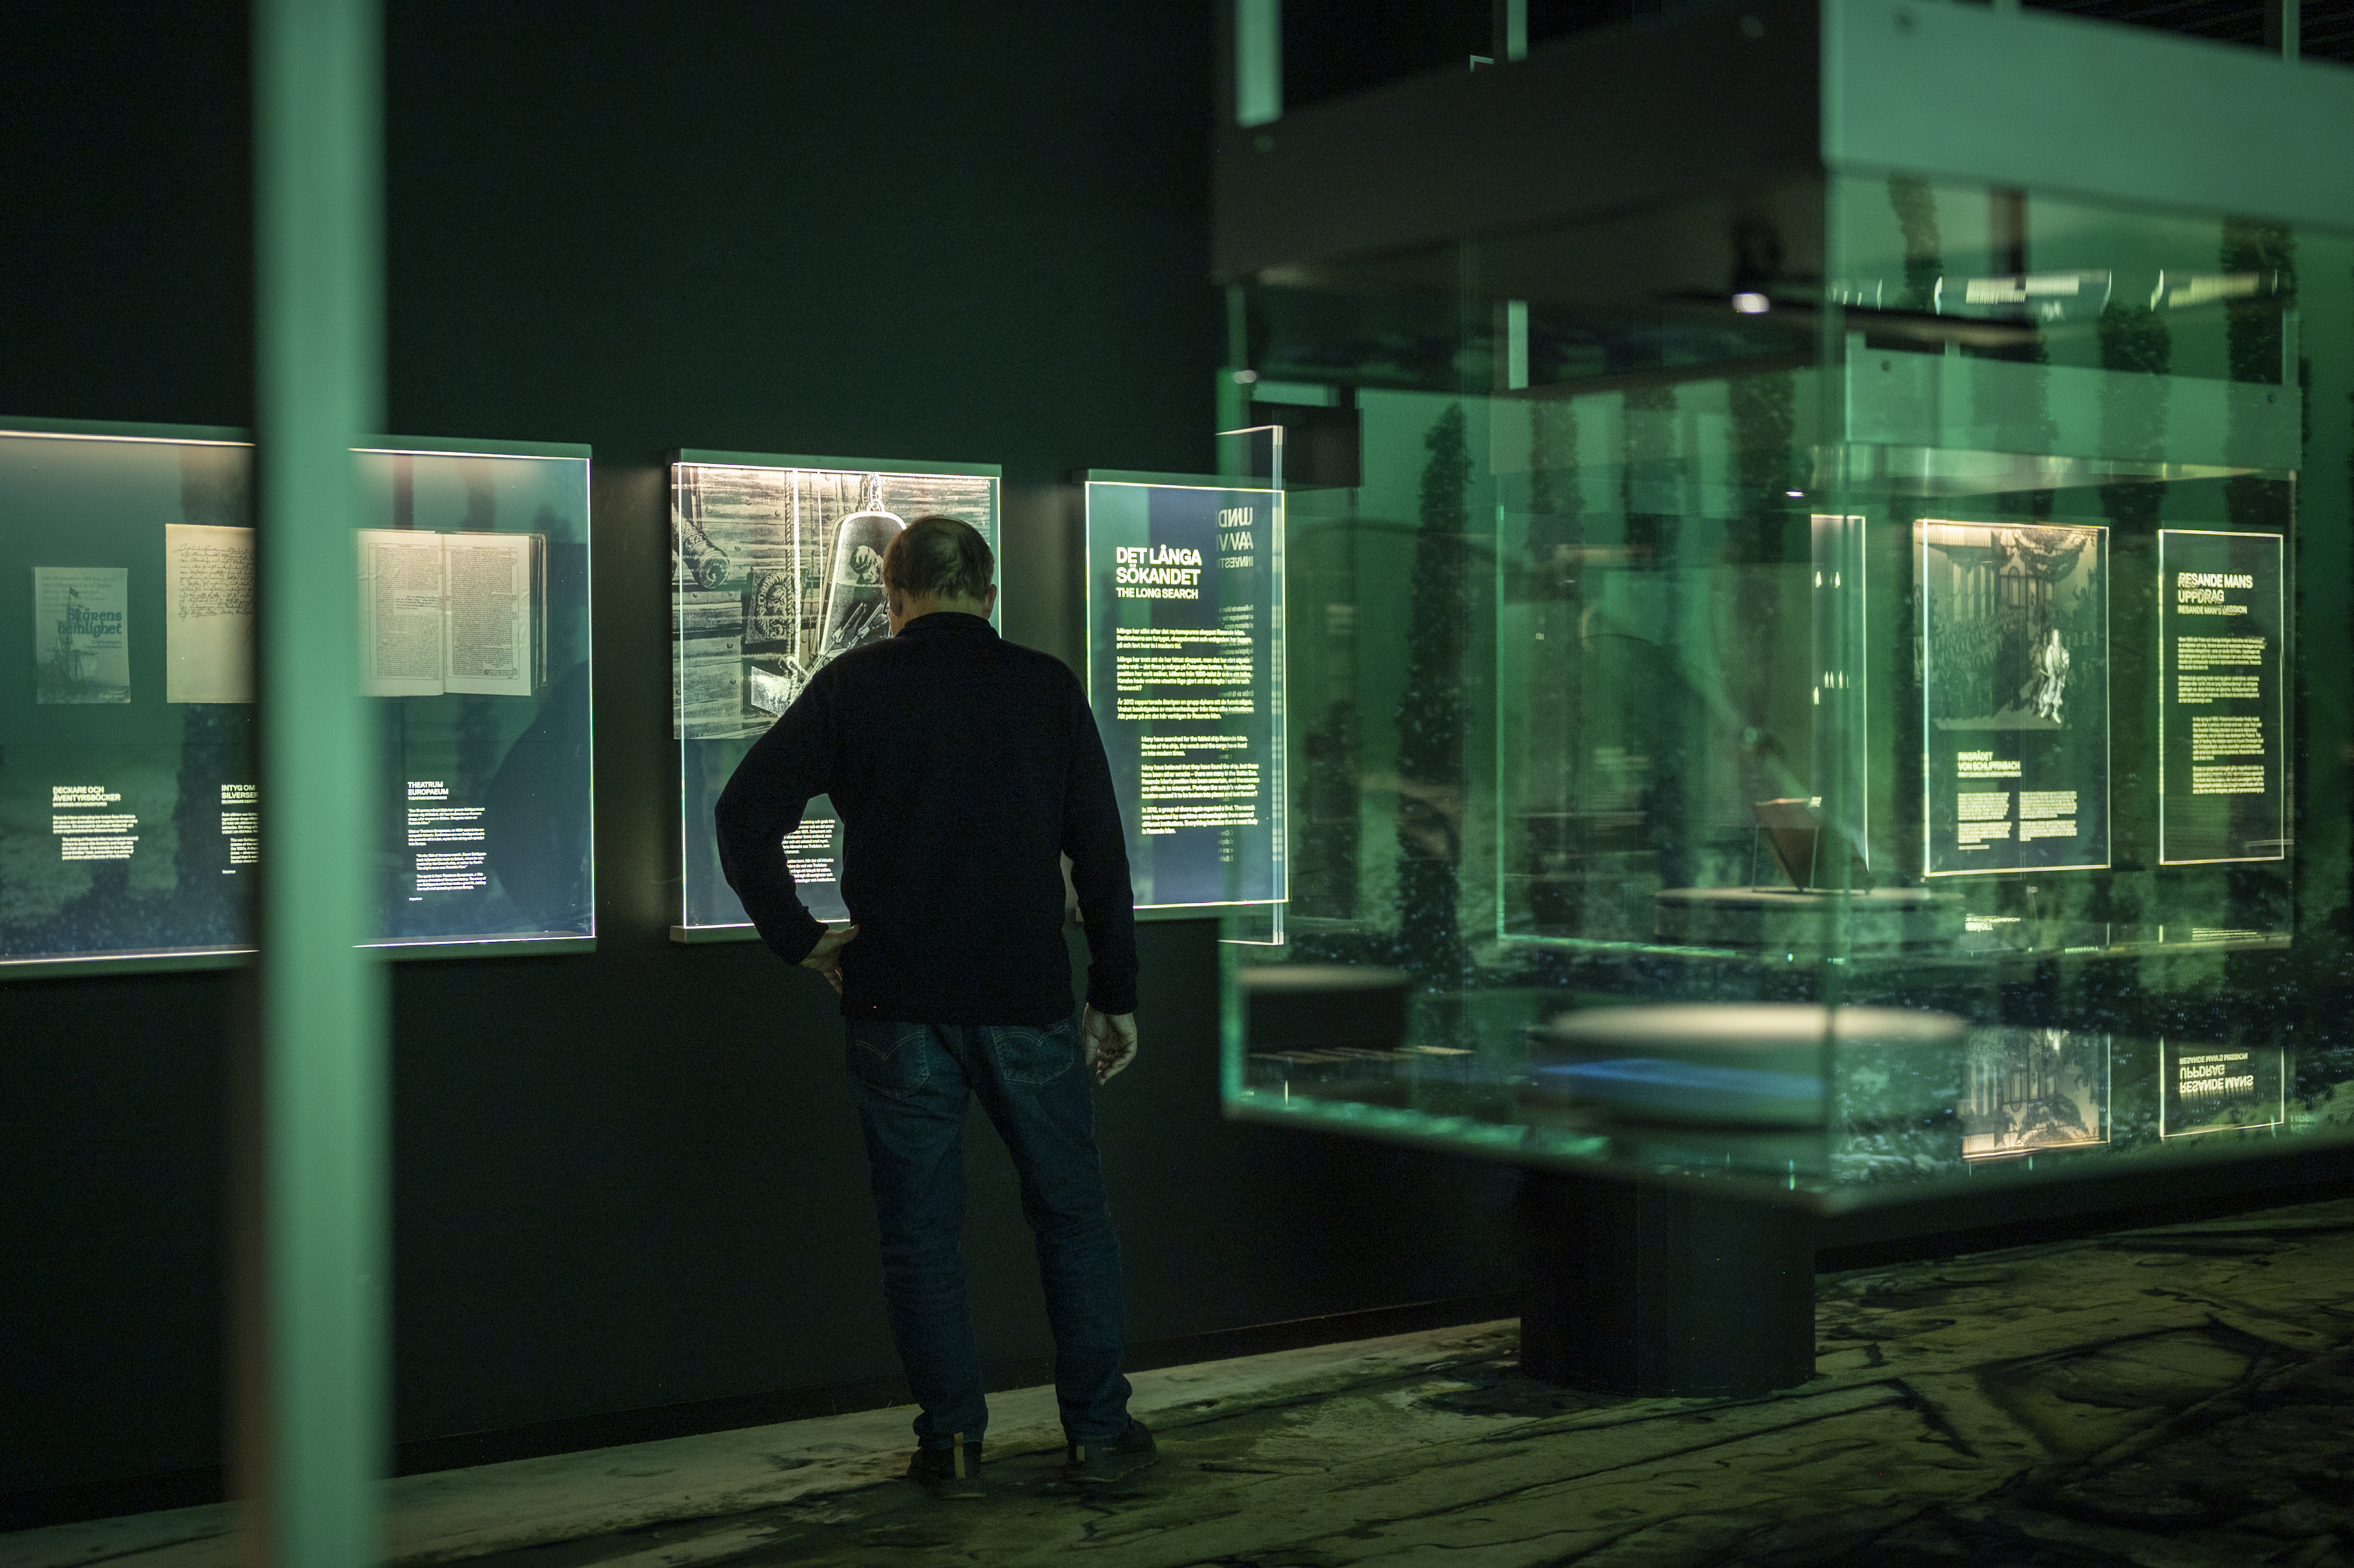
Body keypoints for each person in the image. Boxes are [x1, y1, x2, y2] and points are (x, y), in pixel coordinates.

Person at [714, 514, 1153, 1500]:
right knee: (1072, 1219)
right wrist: (1114, 993)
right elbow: (1101, 854)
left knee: (921, 1235)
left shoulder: (854, 686)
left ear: (894, 594)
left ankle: (952, 1445)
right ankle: (1098, 1431)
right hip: (1026, 1001)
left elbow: (744, 813)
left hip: (897, 1004)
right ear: (989, 593)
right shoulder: (1043, 688)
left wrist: (800, 936)